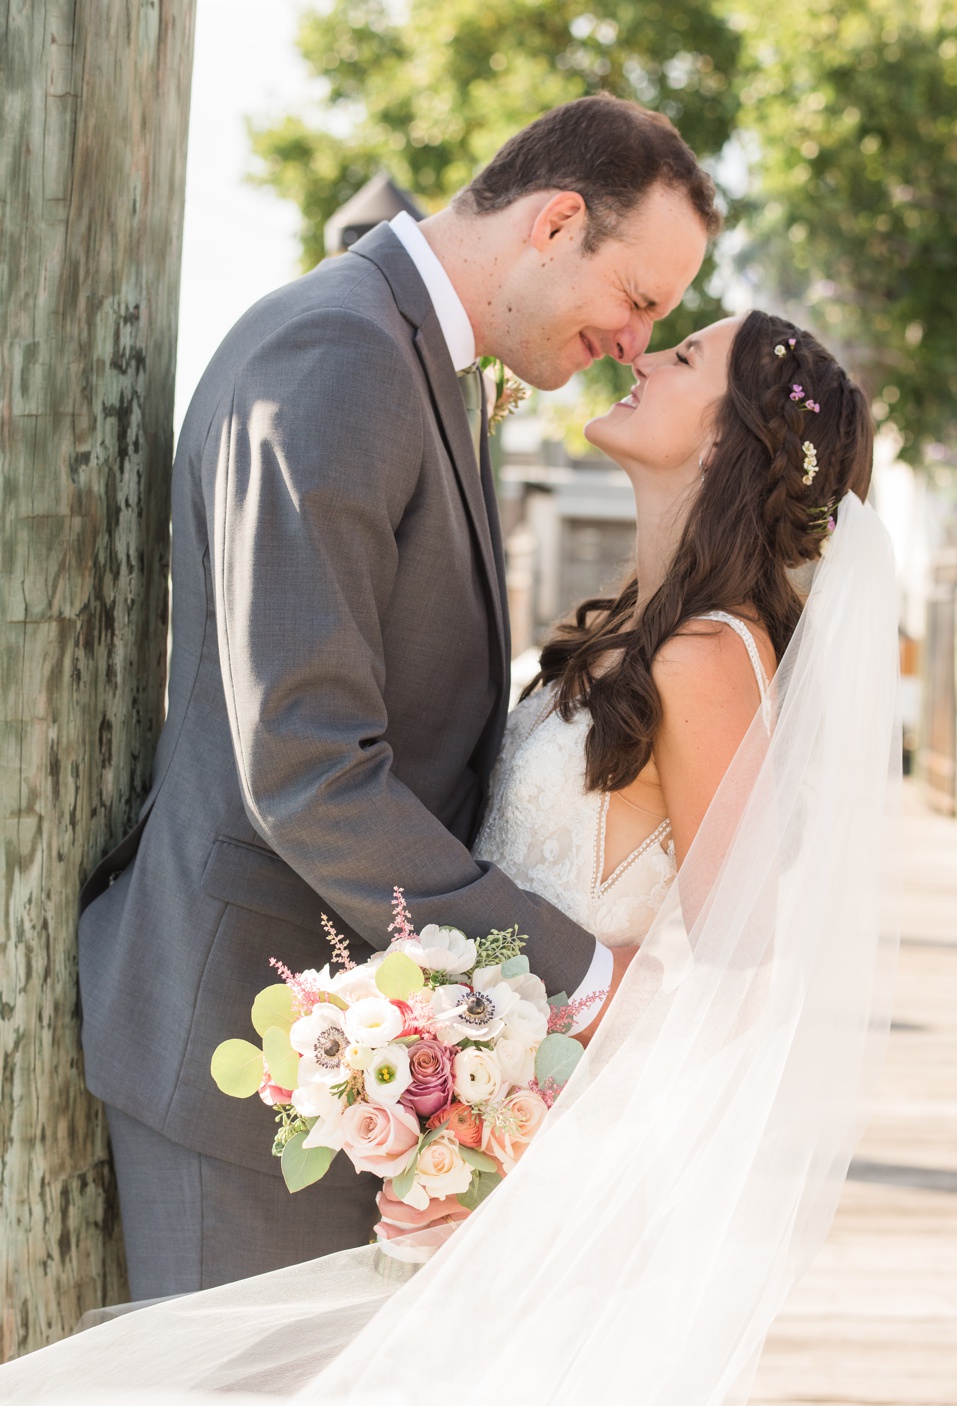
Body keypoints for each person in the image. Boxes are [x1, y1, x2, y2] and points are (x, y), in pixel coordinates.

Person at [0, 306, 901, 1406]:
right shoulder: (630, 629)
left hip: (547, 1161)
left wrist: (540, 1156)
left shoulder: (708, 660)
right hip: (476, 1124)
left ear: (725, 442)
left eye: (684, 356)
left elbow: (742, 977)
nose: (646, 352)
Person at [74, 94, 716, 1298]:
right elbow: (310, 765)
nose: (634, 342)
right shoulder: (341, 355)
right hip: (241, 1048)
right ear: (556, 220)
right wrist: (573, 971)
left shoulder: (418, 359)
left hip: (342, 1049)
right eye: (636, 299)